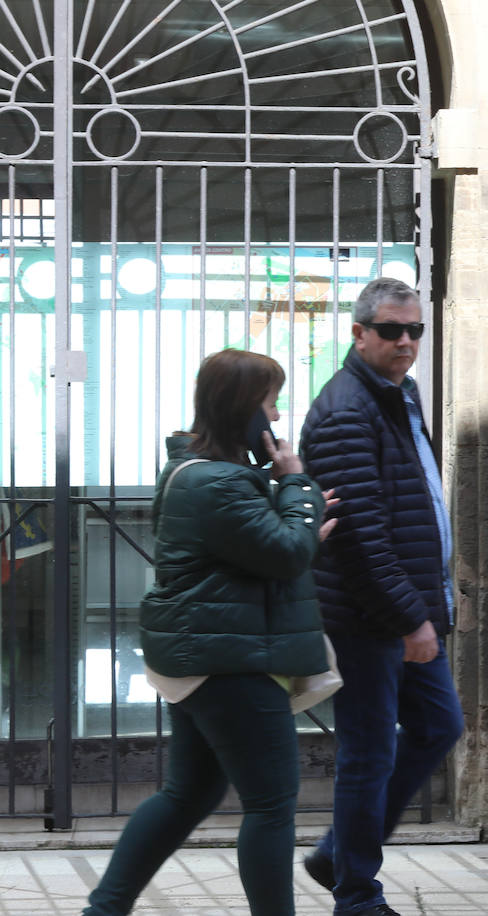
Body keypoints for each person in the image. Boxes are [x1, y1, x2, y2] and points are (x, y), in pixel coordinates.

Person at [84, 349, 334, 915]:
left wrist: (298, 516)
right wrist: (298, 489)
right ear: (244, 408)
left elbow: (257, 552)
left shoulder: (201, 473)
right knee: (271, 805)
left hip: (209, 653)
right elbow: (287, 552)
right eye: (270, 401)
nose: (275, 416)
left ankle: (104, 910)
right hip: (230, 663)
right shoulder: (217, 483)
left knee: (188, 794)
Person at [299, 277, 465, 915]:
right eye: (391, 330)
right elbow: (360, 535)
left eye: (415, 330)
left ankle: (338, 853)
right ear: (358, 333)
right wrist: (410, 617)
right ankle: (357, 896)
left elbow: (412, 504)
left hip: (409, 607)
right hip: (371, 617)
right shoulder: (348, 408)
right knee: (369, 753)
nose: (405, 342)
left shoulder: (401, 393)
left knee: (437, 726)